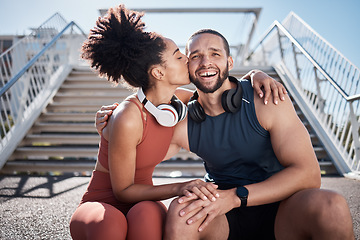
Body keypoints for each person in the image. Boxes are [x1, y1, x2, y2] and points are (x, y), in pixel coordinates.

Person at [97, 29, 355, 239]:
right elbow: (141, 134)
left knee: (332, 205)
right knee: (181, 211)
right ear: (187, 65)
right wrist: (111, 126)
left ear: (229, 62)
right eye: (195, 56)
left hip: (282, 210)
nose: (205, 62)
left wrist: (234, 197)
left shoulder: (266, 98)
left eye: (215, 54)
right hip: (222, 216)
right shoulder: (181, 118)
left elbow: (309, 175)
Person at [70, 5, 285, 240]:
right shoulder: (129, 116)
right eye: (179, 56)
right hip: (104, 203)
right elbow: (122, 192)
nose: (188, 61)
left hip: (141, 202)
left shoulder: (177, 101)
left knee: (147, 216)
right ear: (159, 73)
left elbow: (222, 88)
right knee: (110, 224)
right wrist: (180, 186)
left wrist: (256, 75)